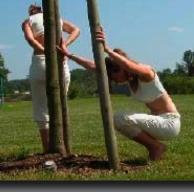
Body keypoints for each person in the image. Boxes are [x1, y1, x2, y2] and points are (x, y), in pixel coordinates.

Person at [56, 27, 181, 161]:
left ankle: (156, 148)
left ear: (121, 68)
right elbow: (94, 67)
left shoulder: (147, 73)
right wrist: (69, 55)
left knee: (120, 118)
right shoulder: (130, 80)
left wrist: (107, 49)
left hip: (169, 123)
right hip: (159, 123)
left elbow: (127, 65)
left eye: (113, 73)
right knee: (120, 119)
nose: (112, 78)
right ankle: (155, 147)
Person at [21, 3, 81, 153]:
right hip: (60, 62)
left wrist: (45, 51)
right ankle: (64, 147)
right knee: (60, 105)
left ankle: (48, 149)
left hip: (40, 62)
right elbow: (76, 30)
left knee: (41, 107)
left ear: (31, 11)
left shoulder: (28, 21)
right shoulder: (57, 19)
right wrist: (65, 45)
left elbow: (30, 40)